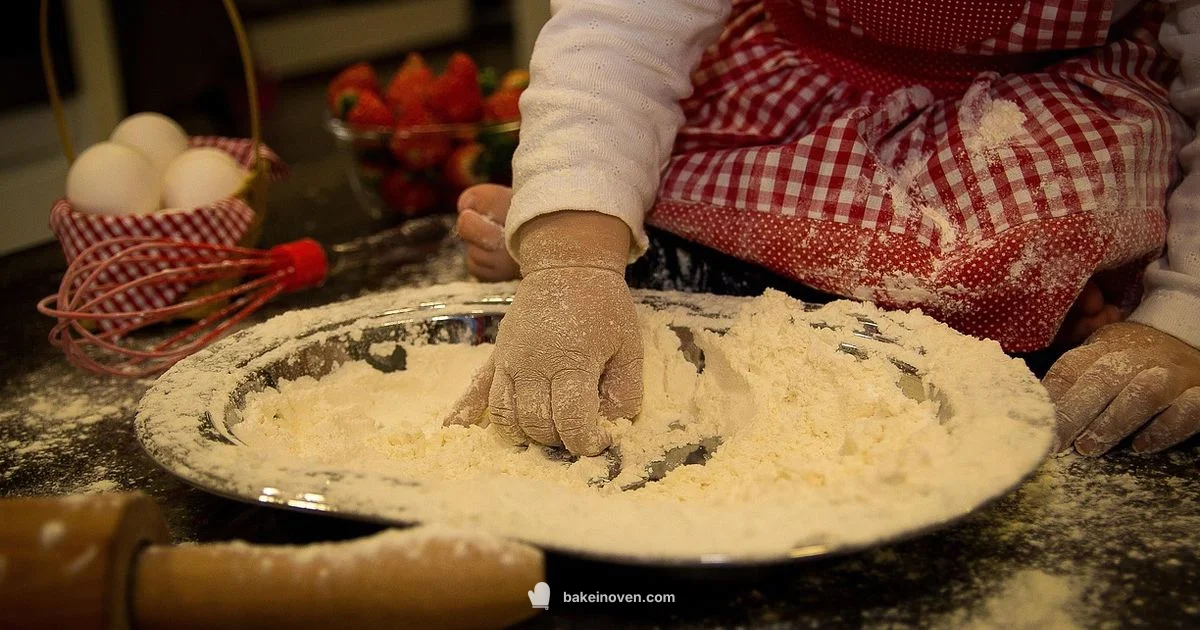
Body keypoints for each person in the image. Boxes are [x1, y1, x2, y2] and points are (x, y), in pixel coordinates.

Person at [446, 0, 1200, 458]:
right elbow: (619, 31)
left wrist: (1184, 314)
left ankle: (1047, 311)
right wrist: (571, 251)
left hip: (1038, 115)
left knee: (1006, 269)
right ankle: (612, 225)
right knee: (615, 203)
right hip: (798, 95)